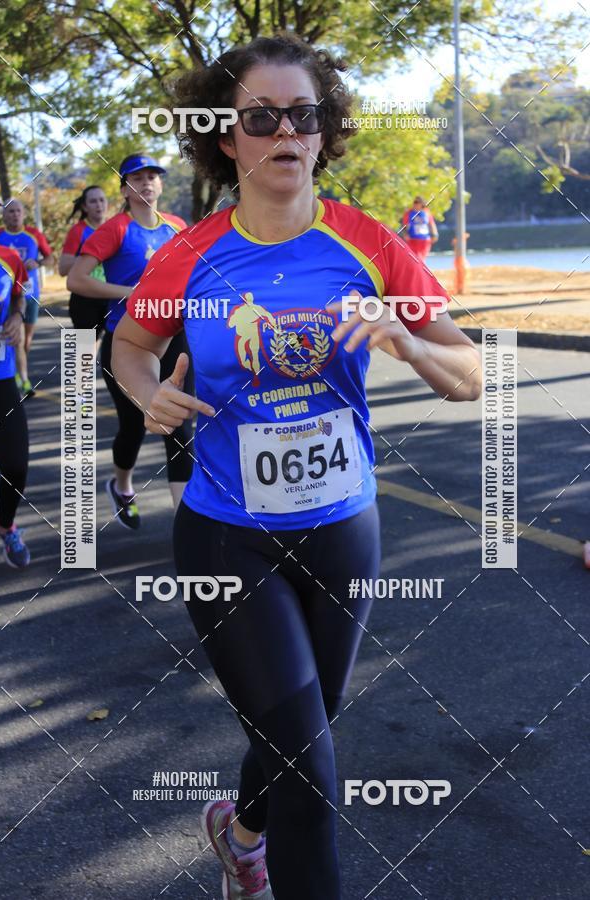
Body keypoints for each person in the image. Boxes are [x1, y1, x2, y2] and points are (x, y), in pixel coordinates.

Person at [112, 33, 481, 900]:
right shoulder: (191, 254)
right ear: (226, 137)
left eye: (304, 115)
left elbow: (470, 375)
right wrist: (148, 396)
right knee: (311, 776)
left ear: (325, 132)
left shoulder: (369, 243)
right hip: (228, 537)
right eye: (261, 117)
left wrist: (409, 344)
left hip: (343, 527)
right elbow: (131, 345)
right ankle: (266, 855)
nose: (286, 131)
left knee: (302, 729)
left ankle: (240, 834)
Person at [67, 155, 193, 527]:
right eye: (137, 178)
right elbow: (76, 279)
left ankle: (185, 525)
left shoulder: (177, 226)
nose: (147, 183)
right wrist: (130, 292)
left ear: (161, 184)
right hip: (129, 342)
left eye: (153, 176)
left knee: (178, 426)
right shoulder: (115, 229)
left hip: (175, 339)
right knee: (134, 426)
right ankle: (121, 485)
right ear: (124, 189)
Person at [0, 240, 32, 567]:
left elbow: (20, 292)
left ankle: (4, 524)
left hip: (0, 378)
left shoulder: (7, 257)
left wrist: (17, 314)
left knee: (16, 465)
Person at [0, 199, 54, 397]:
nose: (15, 215)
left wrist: (38, 263)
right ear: (4, 216)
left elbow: (51, 259)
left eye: (18, 211)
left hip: (28, 292)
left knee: (25, 339)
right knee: (15, 339)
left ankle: (17, 371)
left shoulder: (34, 235)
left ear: (24, 214)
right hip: (3, 296)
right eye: (10, 211)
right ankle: (23, 379)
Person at [59, 185, 109, 336]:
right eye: (93, 201)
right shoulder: (78, 231)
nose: (99, 205)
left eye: (102, 200)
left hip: (111, 295)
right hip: (84, 298)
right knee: (82, 349)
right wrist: (91, 258)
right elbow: (63, 269)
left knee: (116, 346)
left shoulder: (115, 228)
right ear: (85, 207)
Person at [401, 195, 439, 260]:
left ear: (422, 204)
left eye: (417, 202)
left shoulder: (426, 212)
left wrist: (435, 235)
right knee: (414, 259)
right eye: (414, 202)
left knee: (421, 260)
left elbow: (432, 224)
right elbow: (404, 225)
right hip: (413, 240)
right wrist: (405, 234)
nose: (415, 204)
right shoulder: (409, 213)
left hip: (425, 241)